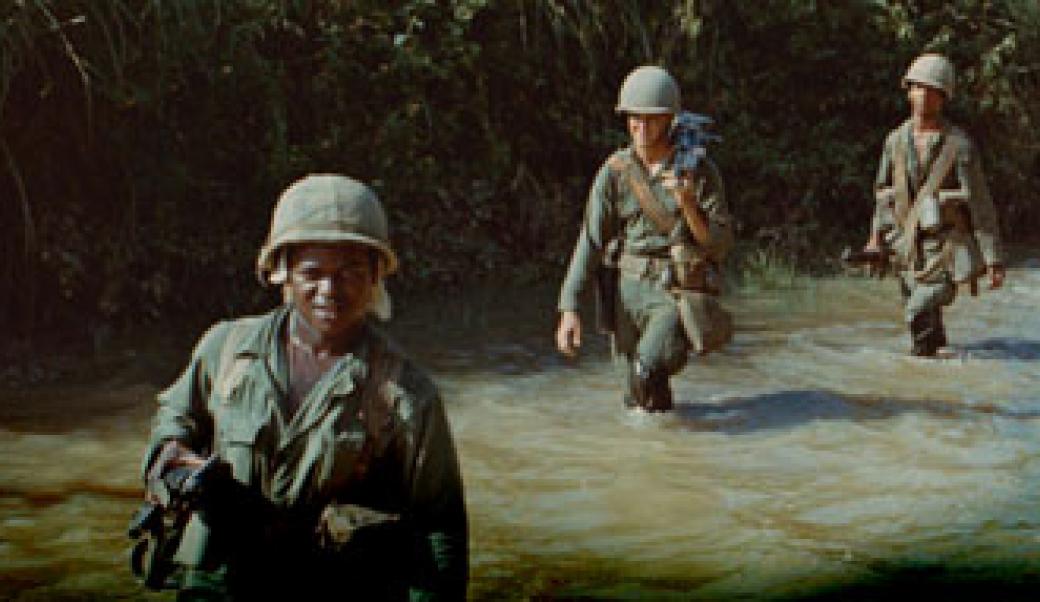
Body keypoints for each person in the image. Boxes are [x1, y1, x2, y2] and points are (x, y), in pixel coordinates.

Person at [139, 174, 468, 600]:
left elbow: (440, 527)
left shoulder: (406, 393)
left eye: (349, 272)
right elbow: (173, 420)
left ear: (374, 278)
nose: (329, 290)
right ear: (284, 273)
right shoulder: (225, 351)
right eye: (312, 272)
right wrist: (172, 458)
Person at [555, 65, 734, 412]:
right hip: (626, 293)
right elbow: (590, 240)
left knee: (646, 368)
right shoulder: (616, 172)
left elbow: (719, 244)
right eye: (633, 118)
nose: (641, 127)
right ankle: (659, 451)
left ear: (669, 119)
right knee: (636, 397)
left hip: (673, 292)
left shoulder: (698, 172)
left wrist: (687, 204)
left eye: (651, 118)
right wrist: (569, 307)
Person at [864, 53, 1006, 358]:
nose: (924, 96)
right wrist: (875, 240)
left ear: (943, 98)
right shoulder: (895, 141)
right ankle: (934, 362)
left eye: (933, 91)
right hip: (904, 243)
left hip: (945, 245)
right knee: (923, 323)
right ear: (908, 90)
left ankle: (918, 364)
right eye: (918, 88)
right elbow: (882, 193)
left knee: (918, 308)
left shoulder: (959, 145)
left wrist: (993, 260)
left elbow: (980, 203)